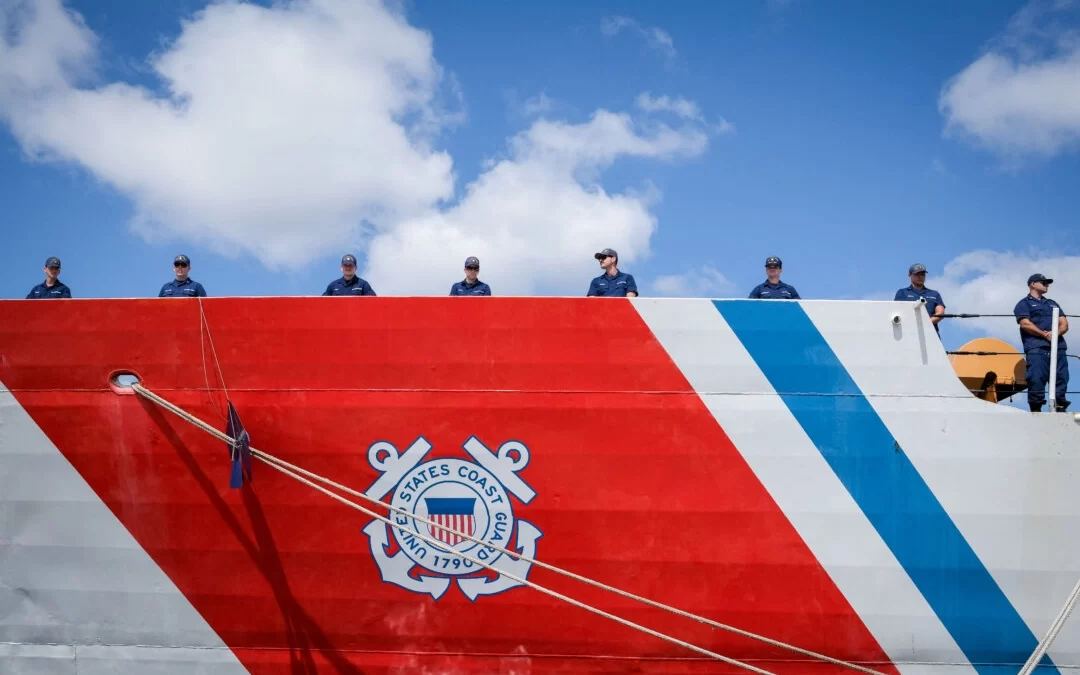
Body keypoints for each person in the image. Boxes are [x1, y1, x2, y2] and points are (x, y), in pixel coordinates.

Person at [1013, 273, 1069, 413]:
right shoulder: (1023, 304)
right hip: (1037, 348)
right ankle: (1036, 410)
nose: (1047, 285)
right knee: (1036, 378)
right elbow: (1025, 324)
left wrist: (1056, 334)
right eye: (1043, 283)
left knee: (1061, 378)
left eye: (1047, 283)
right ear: (1033, 284)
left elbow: (1064, 323)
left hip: (1058, 348)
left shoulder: (1052, 303)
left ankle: (1060, 407)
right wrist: (1044, 334)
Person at [894, 263, 945, 333]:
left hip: (931, 334)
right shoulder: (902, 293)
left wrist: (927, 323)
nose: (920, 277)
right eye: (917, 274)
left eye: (922, 274)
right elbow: (896, 312)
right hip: (908, 333)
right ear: (910, 275)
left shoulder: (934, 294)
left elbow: (940, 313)